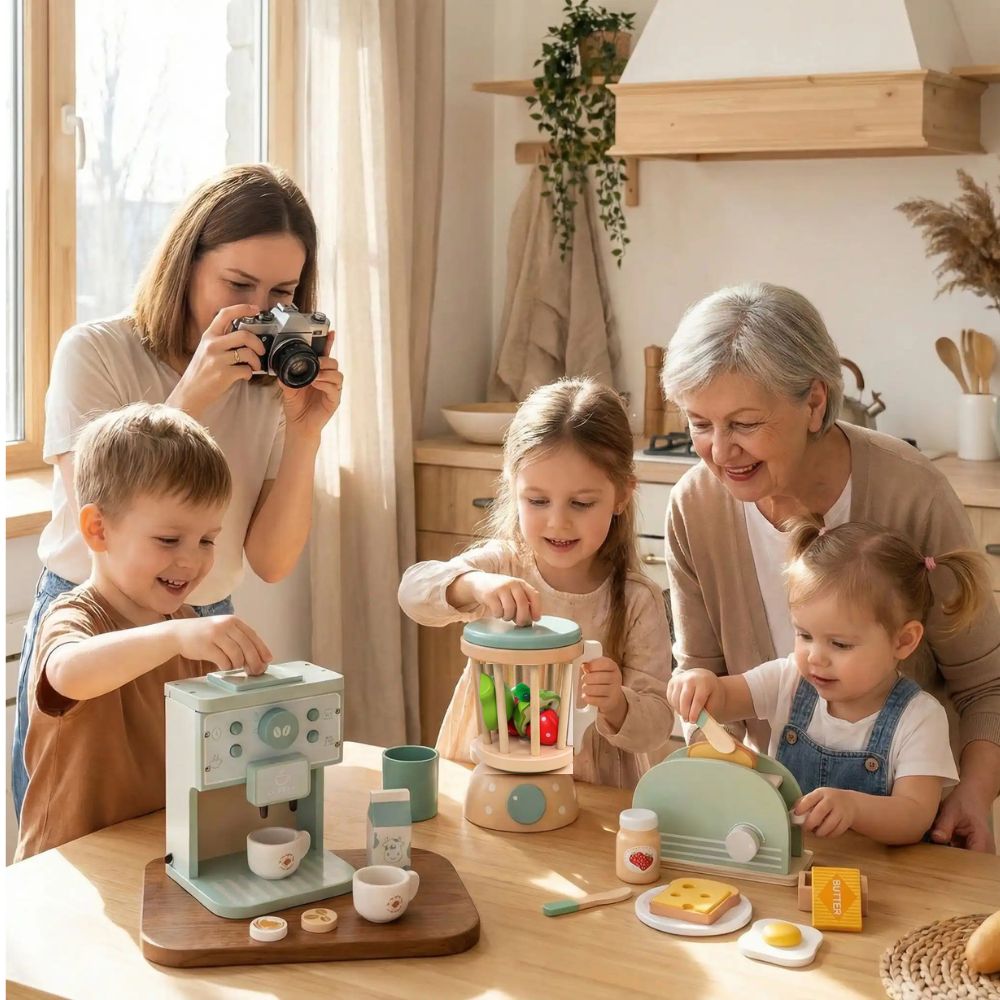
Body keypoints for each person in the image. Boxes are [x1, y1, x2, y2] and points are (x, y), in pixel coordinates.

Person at [11, 164, 345, 820]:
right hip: (94, 616)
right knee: (69, 825)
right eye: (238, 284)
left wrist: (305, 434)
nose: (261, 309)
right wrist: (193, 393)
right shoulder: (98, 352)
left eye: (283, 291)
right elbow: (100, 514)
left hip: (197, 615)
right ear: (186, 264)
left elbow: (272, 562)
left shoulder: (269, 386)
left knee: (180, 832)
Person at [661, 281, 1000, 850]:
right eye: (699, 423)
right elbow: (705, 683)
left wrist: (973, 796)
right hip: (777, 830)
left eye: (744, 424)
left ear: (814, 403)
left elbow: (986, 685)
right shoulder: (694, 507)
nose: (720, 452)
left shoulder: (910, 492)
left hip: (914, 833)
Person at [15, 403, 273, 860]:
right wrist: (176, 638)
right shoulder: (74, 616)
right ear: (98, 530)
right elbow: (66, 673)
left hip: (153, 855)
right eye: (169, 540)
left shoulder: (188, 628)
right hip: (66, 871)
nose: (191, 561)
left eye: (207, 540)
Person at [398, 377, 673, 788]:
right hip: (489, 769)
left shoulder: (636, 599)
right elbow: (413, 592)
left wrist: (616, 702)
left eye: (581, 503)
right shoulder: (503, 563)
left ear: (621, 496)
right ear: (513, 488)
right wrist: (473, 584)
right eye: (538, 501)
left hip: (590, 785)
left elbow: (656, 726)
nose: (558, 522)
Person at [668, 519, 988, 845]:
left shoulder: (920, 718)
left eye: (840, 644)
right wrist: (700, 683)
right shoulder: (788, 680)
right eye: (804, 635)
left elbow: (913, 816)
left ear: (903, 641)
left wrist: (854, 808)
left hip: (883, 880)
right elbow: (722, 698)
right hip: (790, 863)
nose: (815, 657)